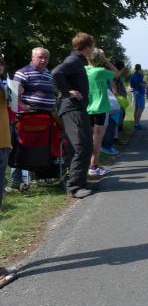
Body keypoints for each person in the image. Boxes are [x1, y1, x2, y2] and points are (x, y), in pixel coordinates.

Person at [52, 33, 95, 198]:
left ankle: (79, 182)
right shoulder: (74, 60)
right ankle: (75, 187)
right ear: (87, 47)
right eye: (92, 46)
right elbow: (56, 73)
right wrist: (67, 91)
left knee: (77, 146)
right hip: (72, 108)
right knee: (82, 146)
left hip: (75, 108)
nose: (93, 50)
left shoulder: (77, 61)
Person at [9, 47, 57, 189]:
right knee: (21, 146)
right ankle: (17, 181)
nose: (43, 60)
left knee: (41, 147)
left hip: (46, 118)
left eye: (46, 58)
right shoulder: (23, 72)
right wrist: (23, 106)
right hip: (28, 118)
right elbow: (13, 94)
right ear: (32, 57)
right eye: (40, 57)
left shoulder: (48, 74)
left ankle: (42, 176)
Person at [84, 48, 120, 177]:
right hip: (101, 108)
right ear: (101, 59)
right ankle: (93, 167)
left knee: (89, 139)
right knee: (97, 140)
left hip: (87, 108)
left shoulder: (84, 69)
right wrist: (106, 61)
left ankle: (92, 165)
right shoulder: (101, 71)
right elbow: (117, 73)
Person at [0, 56, 13, 206]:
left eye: (1, 64)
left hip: (4, 136)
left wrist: (16, 93)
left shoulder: (6, 84)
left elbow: (14, 107)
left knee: (1, 173)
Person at [129, 63, 146, 129]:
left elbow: (131, 85)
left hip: (135, 92)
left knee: (136, 108)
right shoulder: (140, 75)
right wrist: (145, 85)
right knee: (141, 108)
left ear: (135, 68)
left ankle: (135, 123)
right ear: (140, 68)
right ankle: (138, 123)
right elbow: (140, 83)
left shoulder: (132, 75)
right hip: (140, 92)